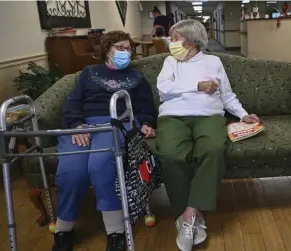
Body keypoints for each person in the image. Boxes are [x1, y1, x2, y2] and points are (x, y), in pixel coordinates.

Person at [155, 20, 259, 251]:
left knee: (213, 149)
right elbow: (163, 89)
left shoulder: (214, 62)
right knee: (171, 155)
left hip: (208, 115)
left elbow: (227, 96)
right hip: (173, 116)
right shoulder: (170, 61)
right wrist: (196, 86)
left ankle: (190, 214)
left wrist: (242, 115)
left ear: (191, 41)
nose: (171, 43)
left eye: (175, 39)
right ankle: (188, 216)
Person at [52, 30, 157, 251]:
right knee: (72, 170)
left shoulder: (137, 78)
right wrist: (76, 124)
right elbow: (72, 103)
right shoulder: (88, 74)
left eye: (128, 49)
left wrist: (146, 123)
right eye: (120, 48)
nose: (125, 52)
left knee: (101, 165)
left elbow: (146, 107)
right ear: (107, 50)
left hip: (116, 123)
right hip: (83, 125)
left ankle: (116, 232)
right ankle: (63, 230)